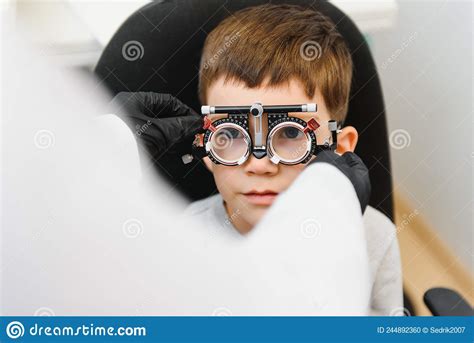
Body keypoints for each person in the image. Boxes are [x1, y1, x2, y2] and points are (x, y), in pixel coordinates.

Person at [111, 4, 402, 315]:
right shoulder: (184, 242)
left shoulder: (373, 236)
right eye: (232, 135)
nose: (260, 165)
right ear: (205, 145)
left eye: (290, 134)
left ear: (340, 149)